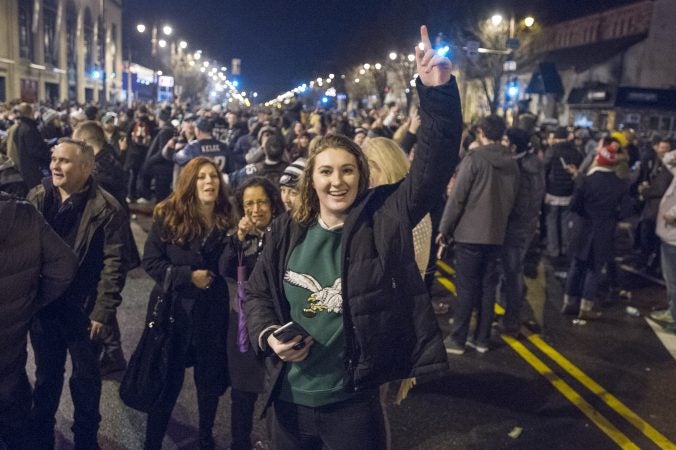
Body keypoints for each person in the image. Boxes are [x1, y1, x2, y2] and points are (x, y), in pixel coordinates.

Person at [244, 25, 460, 449]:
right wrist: (269, 335)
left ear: (362, 177)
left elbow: (432, 170)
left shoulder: (382, 217)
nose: (337, 181)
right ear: (312, 178)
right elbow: (257, 295)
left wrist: (437, 94)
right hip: (288, 401)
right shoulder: (288, 228)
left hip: (352, 406)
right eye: (326, 171)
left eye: (348, 170)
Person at [28, 138, 130, 449]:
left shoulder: (107, 208)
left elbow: (115, 264)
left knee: (86, 380)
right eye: (54, 159)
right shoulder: (39, 196)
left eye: (65, 161)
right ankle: (41, 436)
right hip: (45, 307)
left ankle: (86, 439)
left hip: (85, 311)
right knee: (46, 377)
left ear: (86, 168)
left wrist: (102, 310)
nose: (55, 166)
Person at [141, 157, 236, 449]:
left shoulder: (227, 217)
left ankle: (205, 437)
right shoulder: (168, 214)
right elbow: (151, 261)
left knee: (208, 384)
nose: (209, 182)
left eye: (214, 177)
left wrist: (239, 241)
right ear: (189, 182)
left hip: (211, 314)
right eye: (202, 177)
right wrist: (186, 276)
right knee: (167, 382)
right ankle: (152, 441)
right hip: (174, 311)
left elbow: (230, 268)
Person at [0, 192, 78, 450]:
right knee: (13, 399)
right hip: (13, 330)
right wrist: (31, 300)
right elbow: (65, 263)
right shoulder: (24, 213)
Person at [438, 115, 519, 354]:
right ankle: (482, 338)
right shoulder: (512, 162)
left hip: (469, 233)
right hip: (497, 233)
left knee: (465, 287)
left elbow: (458, 197)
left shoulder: (475, 159)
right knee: (487, 287)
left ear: (482, 133)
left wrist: (444, 228)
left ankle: (458, 338)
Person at [219, 177, 284, 450]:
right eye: (249, 204)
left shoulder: (283, 233)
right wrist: (240, 237)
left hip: (275, 322)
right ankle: (239, 444)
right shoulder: (238, 237)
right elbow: (225, 267)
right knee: (242, 392)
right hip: (243, 324)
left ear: (272, 204)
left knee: (277, 393)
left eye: (261, 202)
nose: (256, 209)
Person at [561, 138, 632, 319]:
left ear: (598, 159)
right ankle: (585, 307)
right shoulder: (619, 184)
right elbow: (625, 211)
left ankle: (569, 302)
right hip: (604, 230)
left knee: (577, 265)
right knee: (594, 268)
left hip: (583, 226)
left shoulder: (586, 180)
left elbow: (574, 205)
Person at [498, 127, 545, 335]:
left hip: (516, 227)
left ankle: (511, 320)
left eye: (506, 141)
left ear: (514, 145)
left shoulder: (522, 168)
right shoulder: (534, 163)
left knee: (512, 271)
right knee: (512, 270)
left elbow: (521, 202)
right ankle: (511, 313)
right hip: (526, 225)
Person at [653, 149, 676, 331]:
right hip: (668, 235)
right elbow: (668, 161)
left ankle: (675, 317)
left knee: (673, 280)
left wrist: (672, 215)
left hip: (673, 237)